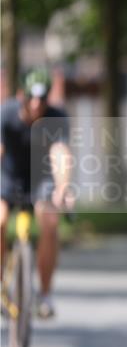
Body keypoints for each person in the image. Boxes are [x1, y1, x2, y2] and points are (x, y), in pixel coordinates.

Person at [0, 68, 73, 319]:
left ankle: (44, 294)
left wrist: (63, 187)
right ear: (21, 95)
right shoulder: (6, 114)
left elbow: (60, 153)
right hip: (8, 177)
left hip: (40, 179)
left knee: (50, 221)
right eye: (31, 97)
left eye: (42, 99)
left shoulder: (56, 117)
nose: (36, 104)